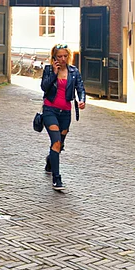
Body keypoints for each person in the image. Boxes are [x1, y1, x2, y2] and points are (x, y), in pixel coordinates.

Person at [40, 43, 86, 191]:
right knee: (56, 142)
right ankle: (57, 179)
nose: (63, 59)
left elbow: (80, 88)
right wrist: (54, 72)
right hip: (50, 110)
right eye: (59, 56)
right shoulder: (48, 70)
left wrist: (82, 100)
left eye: (65, 56)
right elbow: (44, 87)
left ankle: (50, 160)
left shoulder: (74, 71)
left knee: (59, 145)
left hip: (65, 113)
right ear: (54, 57)